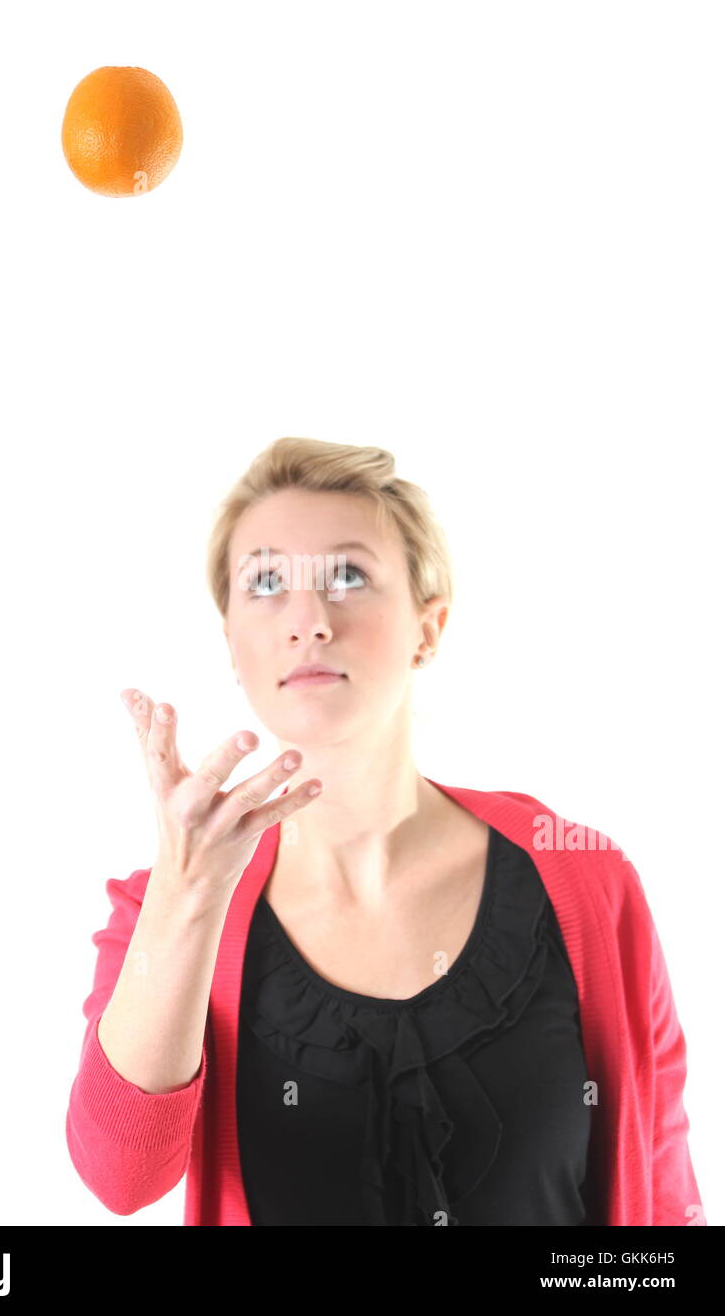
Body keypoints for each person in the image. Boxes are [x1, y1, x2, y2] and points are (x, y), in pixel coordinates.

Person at [66, 435, 704, 1226]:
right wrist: (185, 897)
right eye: (265, 583)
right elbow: (119, 1176)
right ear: (232, 641)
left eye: (349, 575)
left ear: (427, 629)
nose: (309, 620)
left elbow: (664, 1194)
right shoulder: (163, 909)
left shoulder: (584, 880)